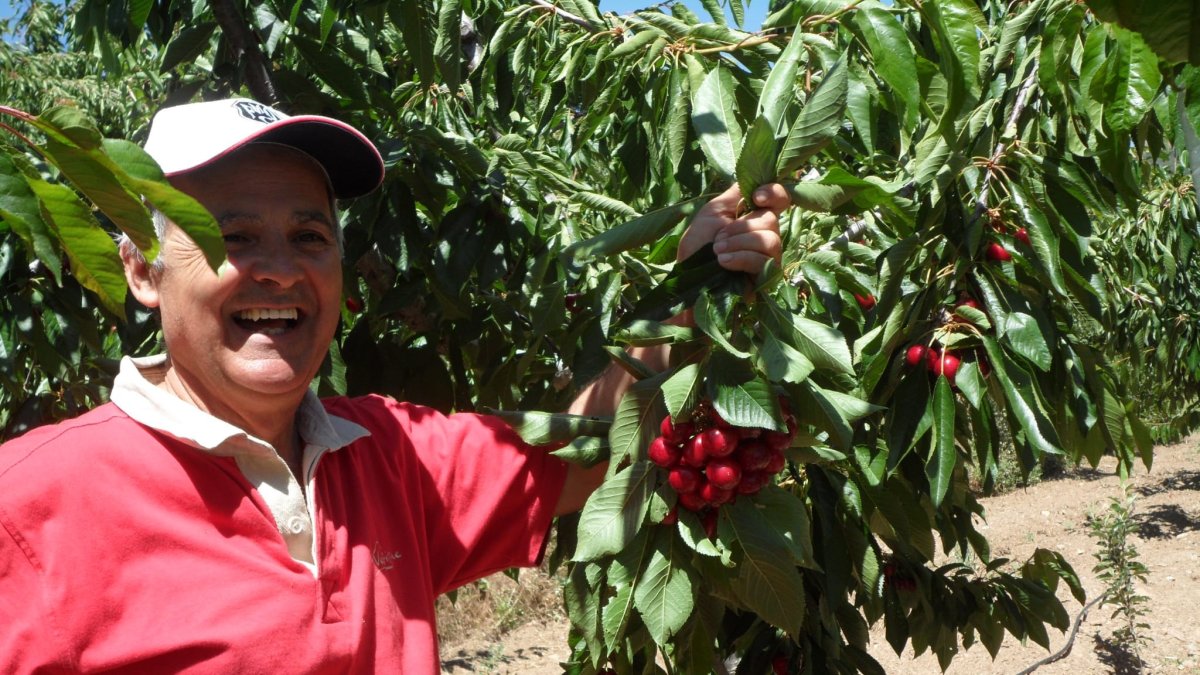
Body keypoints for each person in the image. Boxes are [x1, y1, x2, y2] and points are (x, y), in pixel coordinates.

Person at [0, 98, 787, 673]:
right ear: (141, 267)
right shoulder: (31, 506)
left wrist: (690, 295)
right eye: (230, 236)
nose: (279, 266)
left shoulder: (392, 454)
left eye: (310, 235)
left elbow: (585, 442)